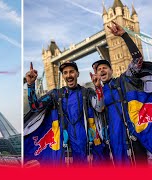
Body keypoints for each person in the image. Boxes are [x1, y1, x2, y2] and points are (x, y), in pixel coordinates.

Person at [91, 21, 152, 166]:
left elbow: (137, 60)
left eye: (105, 67)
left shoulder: (125, 80)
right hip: (115, 142)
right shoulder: (96, 94)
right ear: (96, 75)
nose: (102, 70)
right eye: (98, 70)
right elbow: (99, 108)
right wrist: (98, 88)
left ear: (111, 70)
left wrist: (124, 36)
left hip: (136, 136)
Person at [24, 61, 106, 166]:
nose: (69, 75)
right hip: (66, 153)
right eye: (65, 73)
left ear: (77, 73)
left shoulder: (87, 93)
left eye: (71, 72)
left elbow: (100, 107)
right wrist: (30, 85)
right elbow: (35, 107)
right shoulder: (55, 95)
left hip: (88, 150)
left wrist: (98, 88)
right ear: (63, 76)